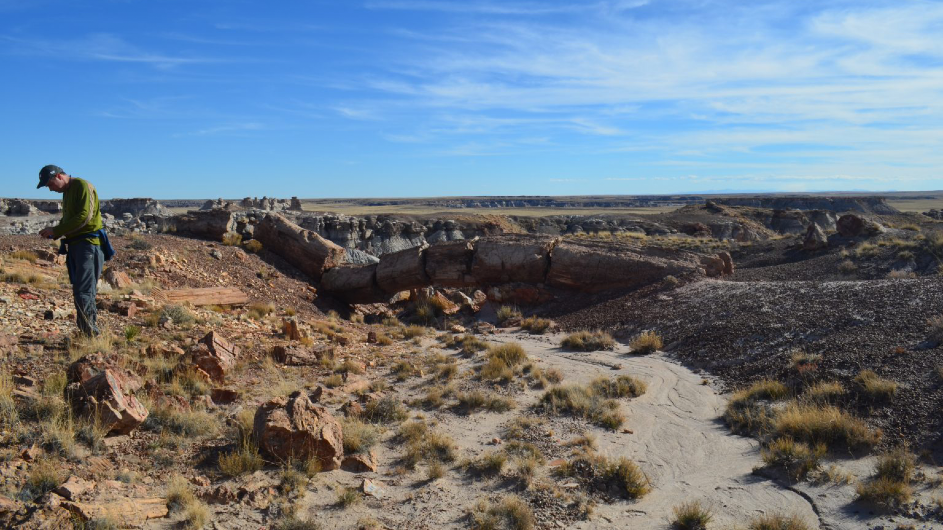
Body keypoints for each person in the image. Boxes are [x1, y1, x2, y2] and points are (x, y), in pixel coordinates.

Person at [37, 164, 112, 337]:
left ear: (59, 177)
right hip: (78, 245)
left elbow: (84, 217)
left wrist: (57, 230)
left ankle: (89, 334)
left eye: (49, 184)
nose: (50, 189)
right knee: (82, 289)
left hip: (89, 245)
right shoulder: (67, 192)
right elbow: (69, 218)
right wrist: (55, 232)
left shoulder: (82, 186)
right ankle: (87, 331)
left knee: (84, 290)